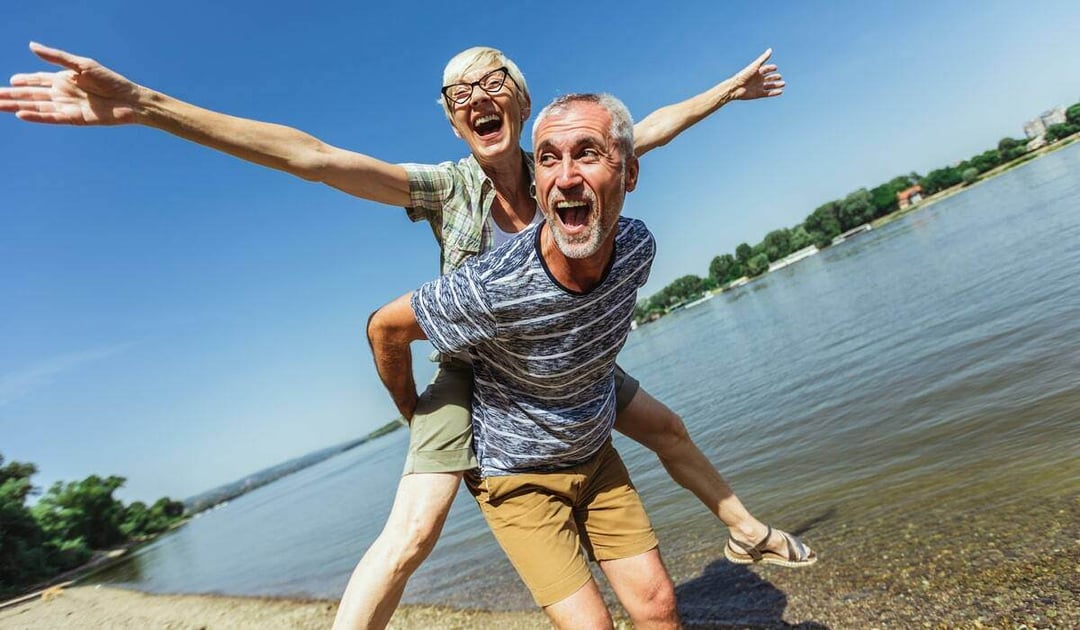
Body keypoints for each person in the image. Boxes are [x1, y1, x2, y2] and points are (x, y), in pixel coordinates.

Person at [0, 43, 814, 630]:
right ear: (455, 120)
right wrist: (149, 106)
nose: (474, 94)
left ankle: (746, 533)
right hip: (471, 368)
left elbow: (654, 127)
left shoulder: (562, 164)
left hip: (561, 357)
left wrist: (726, 91)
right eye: (457, 91)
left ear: (522, 104)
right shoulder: (445, 186)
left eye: (492, 80)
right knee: (414, 530)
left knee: (665, 427)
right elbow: (312, 157)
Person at [367, 92, 675, 628]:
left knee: (659, 607)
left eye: (587, 153)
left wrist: (727, 91)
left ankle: (744, 527)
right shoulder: (494, 284)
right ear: (538, 186)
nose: (566, 175)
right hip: (518, 478)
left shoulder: (637, 248)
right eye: (550, 158)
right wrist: (412, 410)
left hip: (594, 455)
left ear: (629, 174)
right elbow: (385, 327)